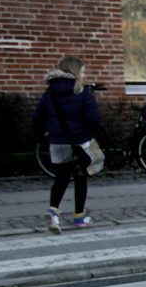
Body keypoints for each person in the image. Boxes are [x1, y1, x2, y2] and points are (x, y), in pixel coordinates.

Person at [31, 56, 99, 233]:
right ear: (76, 72)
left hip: (57, 142)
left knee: (60, 179)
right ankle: (79, 216)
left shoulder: (50, 92)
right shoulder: (83, 91)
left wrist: (40, 137)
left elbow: (38, 116)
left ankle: (53, 211)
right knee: (80, 177)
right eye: (83, 71)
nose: (85, 75)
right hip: (80, 142)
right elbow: (93, 119)